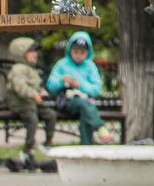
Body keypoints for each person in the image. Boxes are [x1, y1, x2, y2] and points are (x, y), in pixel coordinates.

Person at [45, 31, 112, 145]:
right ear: (70, 50)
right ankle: (100, 126)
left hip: (86, 102)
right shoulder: (62, 64)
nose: (78, 55)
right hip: (67, 101)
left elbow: (96, 89)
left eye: (82, 52)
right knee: (84, 105)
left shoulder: (90, 66)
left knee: (85, 111)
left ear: (87, 53)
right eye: (75, 51)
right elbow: (51, 86)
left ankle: (86, 147)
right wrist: (62, 81)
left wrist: (80, 85)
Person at [6, 37, 57, 169]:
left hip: (32, 102)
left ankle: (48, 142)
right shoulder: (18, 69)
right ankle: (28, 149)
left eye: (35, 51)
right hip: (20, 103)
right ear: (21, 53)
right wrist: (34, 95)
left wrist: (41, 92)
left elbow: (34, 85)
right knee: (32, 118)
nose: (35, 54)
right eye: (32, 51)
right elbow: (20, 87)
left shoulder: (31, 68)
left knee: (50, 114)